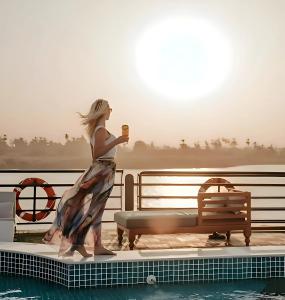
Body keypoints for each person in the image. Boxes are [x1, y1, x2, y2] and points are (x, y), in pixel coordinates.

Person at [42, 99, 129, 257]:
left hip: (102, 171)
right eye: (109, 108)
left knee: (93, 211)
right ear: (103, 110)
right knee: (96, 211)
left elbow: (94, 156)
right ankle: (93, 246)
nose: (111, 110)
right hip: (103, 172)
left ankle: (81, 245)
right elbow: (97, 154)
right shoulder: (100, 129)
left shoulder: (96, 129)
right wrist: (117, 141)